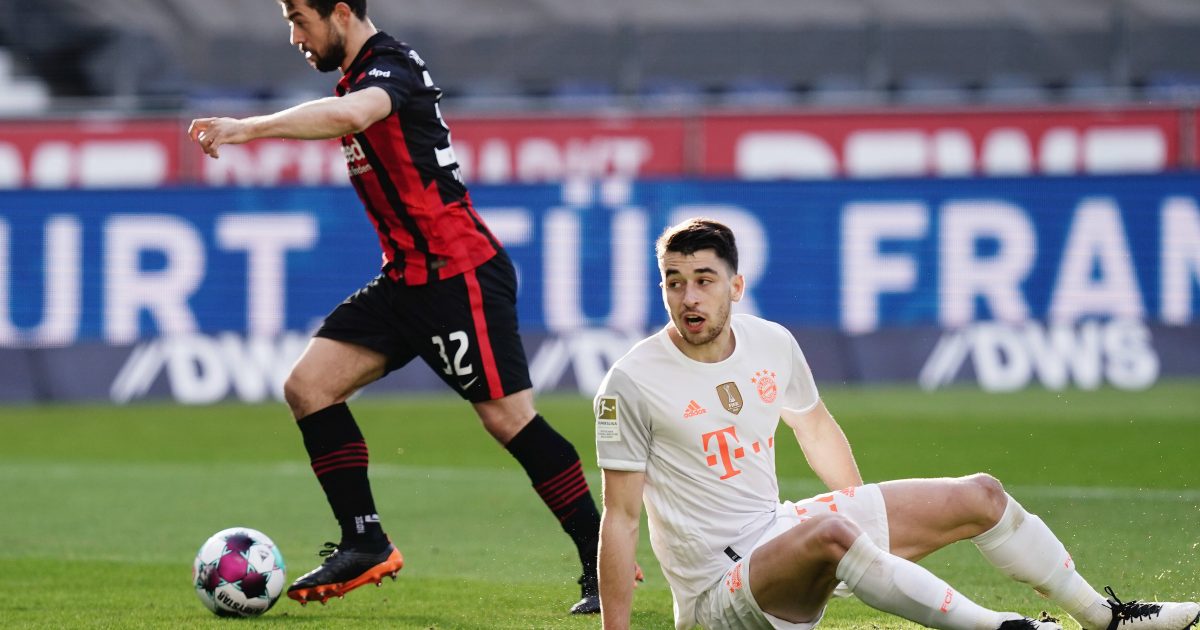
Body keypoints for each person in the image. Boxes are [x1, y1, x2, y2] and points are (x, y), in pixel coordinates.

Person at [187, 0, 606, 613]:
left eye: (300, 19)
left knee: (509, 419)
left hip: (458, 274)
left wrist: (247, 128)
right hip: (407, 278)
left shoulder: (391, 67)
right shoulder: (357, 76)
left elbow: (351, 116)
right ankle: (365, 540)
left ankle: (602, 561)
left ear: (339, 12)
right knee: (308, 387)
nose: (295, 37)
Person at [594, 217, 1200, 630]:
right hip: (715, 594)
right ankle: (1001, 627)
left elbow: (816, 428)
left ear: (736, 285)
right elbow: (619, 520)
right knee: (832, 532)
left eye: (703, 281)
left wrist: (864, 529)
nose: (689, 298)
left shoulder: (771, 342)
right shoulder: (632, 380)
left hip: (774, 532)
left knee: (982, 495)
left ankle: (1105, 616)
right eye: (674, 283)